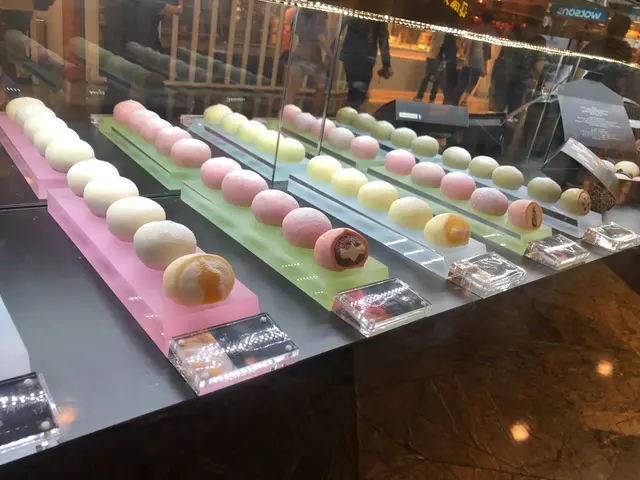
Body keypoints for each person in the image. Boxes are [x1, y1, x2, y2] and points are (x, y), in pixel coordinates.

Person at [489, 7, 547, 113]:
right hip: (521, 83)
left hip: (503, 77)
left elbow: (500, 56)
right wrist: (538, 84)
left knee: (496, 111)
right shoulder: (539, 41)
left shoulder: (513, 35)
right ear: (540, 24)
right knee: (514, 113)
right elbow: (539, 67)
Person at [283, 9, 332, 114]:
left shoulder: (300, 14)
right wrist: (331, 53)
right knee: (321, 86)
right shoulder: (320, 15)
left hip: (299, 53)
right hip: (313, 57)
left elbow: (295, 31)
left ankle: (285, 114)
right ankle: (315, 115)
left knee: (292, 89)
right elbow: (320, 37)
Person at [338, 19, 393, 110]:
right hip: (366, 57)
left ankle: (349, 110)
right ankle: (351, 111)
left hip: (350, 53)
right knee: (358, 93)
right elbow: (383, 38)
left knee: (353, 90)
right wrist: (386, 64)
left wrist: (332, 46)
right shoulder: (379, 14)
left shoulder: (357, 10)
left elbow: (342, 23)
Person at [580, 14, 633, 94]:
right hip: (609, 91)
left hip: (588, 86)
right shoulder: (625, 50)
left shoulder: (595, 44)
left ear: (609, 27)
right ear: (625, 31)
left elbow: (580, 67)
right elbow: (622, 77)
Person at [454, 12, 494, 107]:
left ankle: (456, 100)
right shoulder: (490, 32)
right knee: (472, 82)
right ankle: (464, 101)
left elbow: (465, 44)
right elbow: (486, 51)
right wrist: (484, 66)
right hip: (477, 63)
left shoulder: (475, 29)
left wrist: (463, 53)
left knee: (462, 82)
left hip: (467, 61)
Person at [414, 32, 457, 104]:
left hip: (433, 57)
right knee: (436, 80)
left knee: (427, 78)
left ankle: (419, 96)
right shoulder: (448, 35)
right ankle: (432, 99)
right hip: (439, 59)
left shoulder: (439, 32)